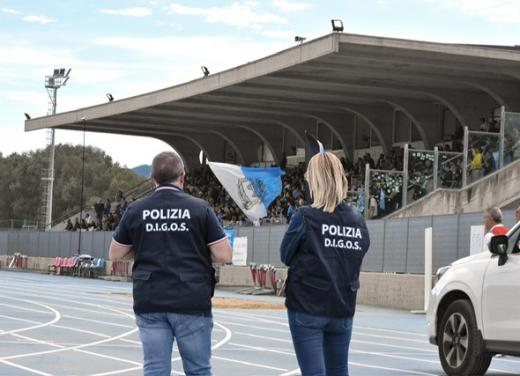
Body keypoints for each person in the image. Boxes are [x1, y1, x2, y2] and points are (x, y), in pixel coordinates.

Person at [109, 151, 232, 376]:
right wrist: (198, 252)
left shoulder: (136, 209)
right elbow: (224, 254)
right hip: (191, 299)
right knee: (199, 370)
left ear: (152, 178)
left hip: (150, 298)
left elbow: (115, 253)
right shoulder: (199, 208)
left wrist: (143, 252)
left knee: (155, 369)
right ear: (182, 177)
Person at [280, 152, 370, 376]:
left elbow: (285, 255)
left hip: (307, 307)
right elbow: (361, 251)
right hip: (342, 306)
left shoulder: (304, 216)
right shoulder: (357, 220)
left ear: (315, 181)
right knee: (339, 370)